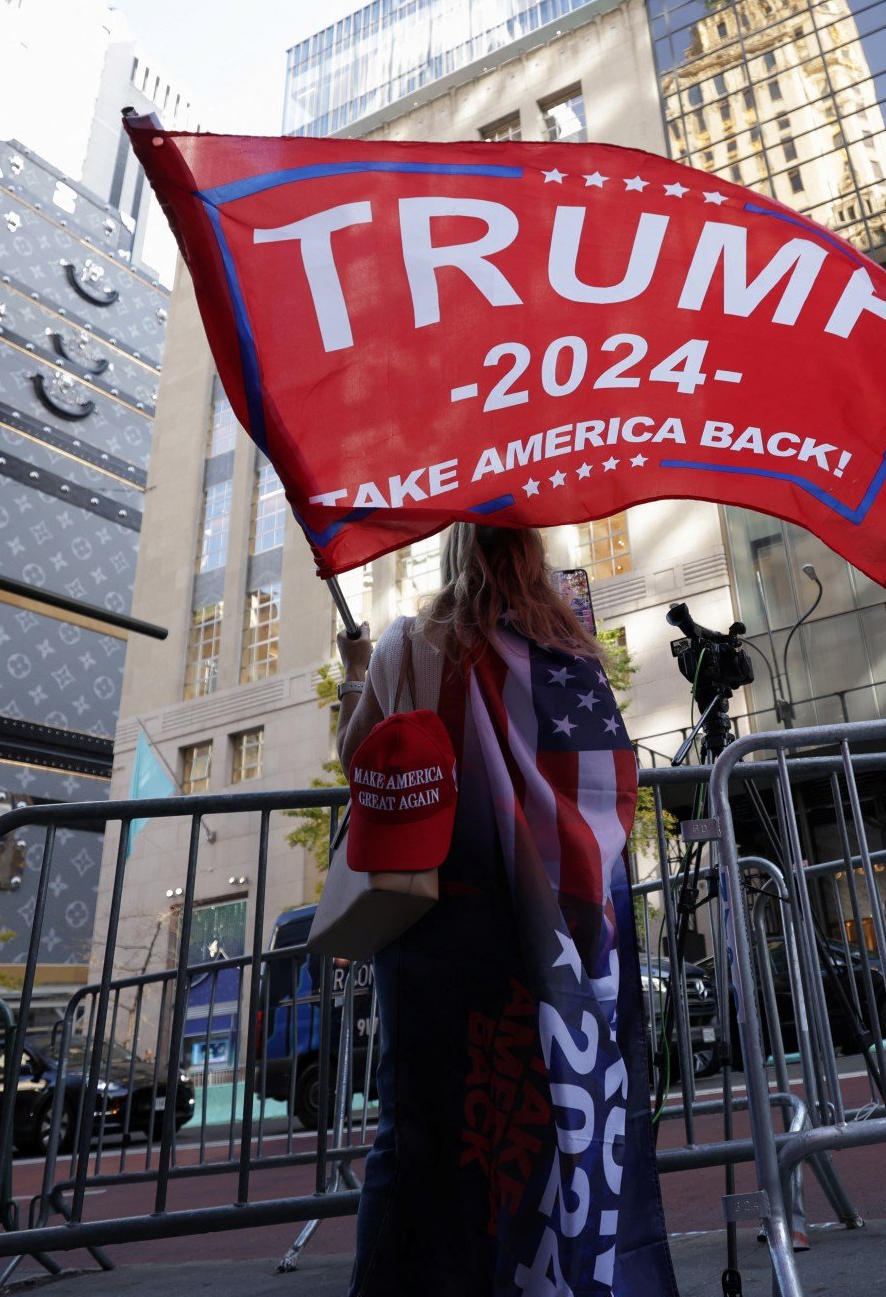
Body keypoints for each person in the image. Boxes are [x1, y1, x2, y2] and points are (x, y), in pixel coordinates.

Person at [334, 524, 679, 1297]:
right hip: (557, 928)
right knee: (549, 1111)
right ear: (531, 553)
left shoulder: (409, 644)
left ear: (456, 553)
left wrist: (356, 675)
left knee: (423, 1124)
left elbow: (359, 758)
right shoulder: (574, 652)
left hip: (437, 925)